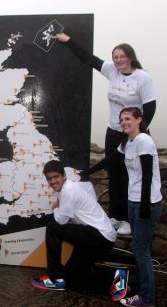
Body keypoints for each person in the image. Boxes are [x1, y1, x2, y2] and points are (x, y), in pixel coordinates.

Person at [53, 33, 157, 236]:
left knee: (129, 176)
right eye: (115, 56)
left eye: (122, 56)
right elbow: (89, 59)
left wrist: (137, 132)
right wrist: (69, 41)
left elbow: (150, 108)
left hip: (133, 133)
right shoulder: (112, 71)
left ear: (130, 57)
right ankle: (116, 215)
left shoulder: (142, 78)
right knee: (114, 175)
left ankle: (128, 218)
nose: (118, 60)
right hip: (114, 131)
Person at [31, 160, 117, 291]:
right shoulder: (70, 187)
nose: (53, 181)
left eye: (56, 177)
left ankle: (54, 278)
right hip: (96, 236)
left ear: (64, 175)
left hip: (100, 236)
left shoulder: (68, 190)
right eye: (49, 178)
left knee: (53, 228)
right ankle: (116, 278)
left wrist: (56, 208)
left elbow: (61, 221)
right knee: (71, 279)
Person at [114, 107, 162, 307]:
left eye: (128, 119)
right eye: (121, 119)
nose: (124, 122)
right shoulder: (128, 142)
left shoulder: (144, 141)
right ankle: (139, 286)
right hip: (134, 201)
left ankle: (147, 298)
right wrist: (88, 171)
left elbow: (148, 176)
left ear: (139, 120)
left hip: (146, 203)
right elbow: (111, 159)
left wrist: (143, 205)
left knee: (141, 250)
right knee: (138, 247)